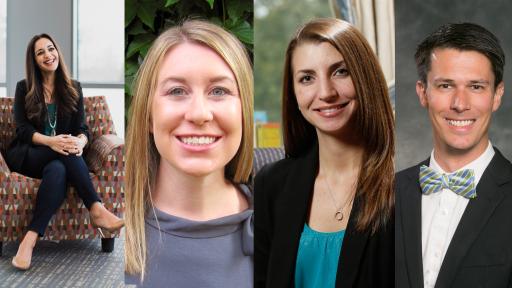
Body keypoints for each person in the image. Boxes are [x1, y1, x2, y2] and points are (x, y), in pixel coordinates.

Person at [254, 18, 395, 288]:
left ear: (365, 78)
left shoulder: (407, 183)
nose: (326, 92)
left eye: (340, 72)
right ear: (293, 93)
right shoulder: (271, 185)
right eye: (307, 78)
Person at [124, 20, 254, 287]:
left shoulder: (286, 225)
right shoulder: (116, 233)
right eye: (177, 91)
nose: (199, 114)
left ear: (244, 111)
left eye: (219, 91)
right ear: (148, 115)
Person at [395, 23, 512, 288]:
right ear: (423, 93)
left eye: (476, 87)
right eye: (446, 85)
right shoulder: (385, 195)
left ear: (497, 96)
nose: (460, 104)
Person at [5, 34, 124, 270]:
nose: (48, 55)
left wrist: (80, 142)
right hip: (30, 155)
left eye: (51, 49)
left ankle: (29, 241)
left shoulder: (73, 88)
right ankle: (96, 209)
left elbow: (82, 129)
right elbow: (22, 130)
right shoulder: (24, 87)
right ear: (34, 60)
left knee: (58, 169)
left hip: (60, 159)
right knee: (64, 153)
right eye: (41, 53)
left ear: (57, 52)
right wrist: (51, 142)